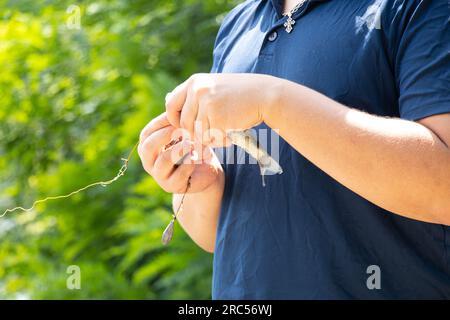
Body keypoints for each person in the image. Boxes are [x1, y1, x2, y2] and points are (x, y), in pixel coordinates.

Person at [138, 0, 450, 299]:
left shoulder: (420, 5)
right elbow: (214, 236)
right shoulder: (238, 24)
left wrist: (272, 100)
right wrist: (200, 182)